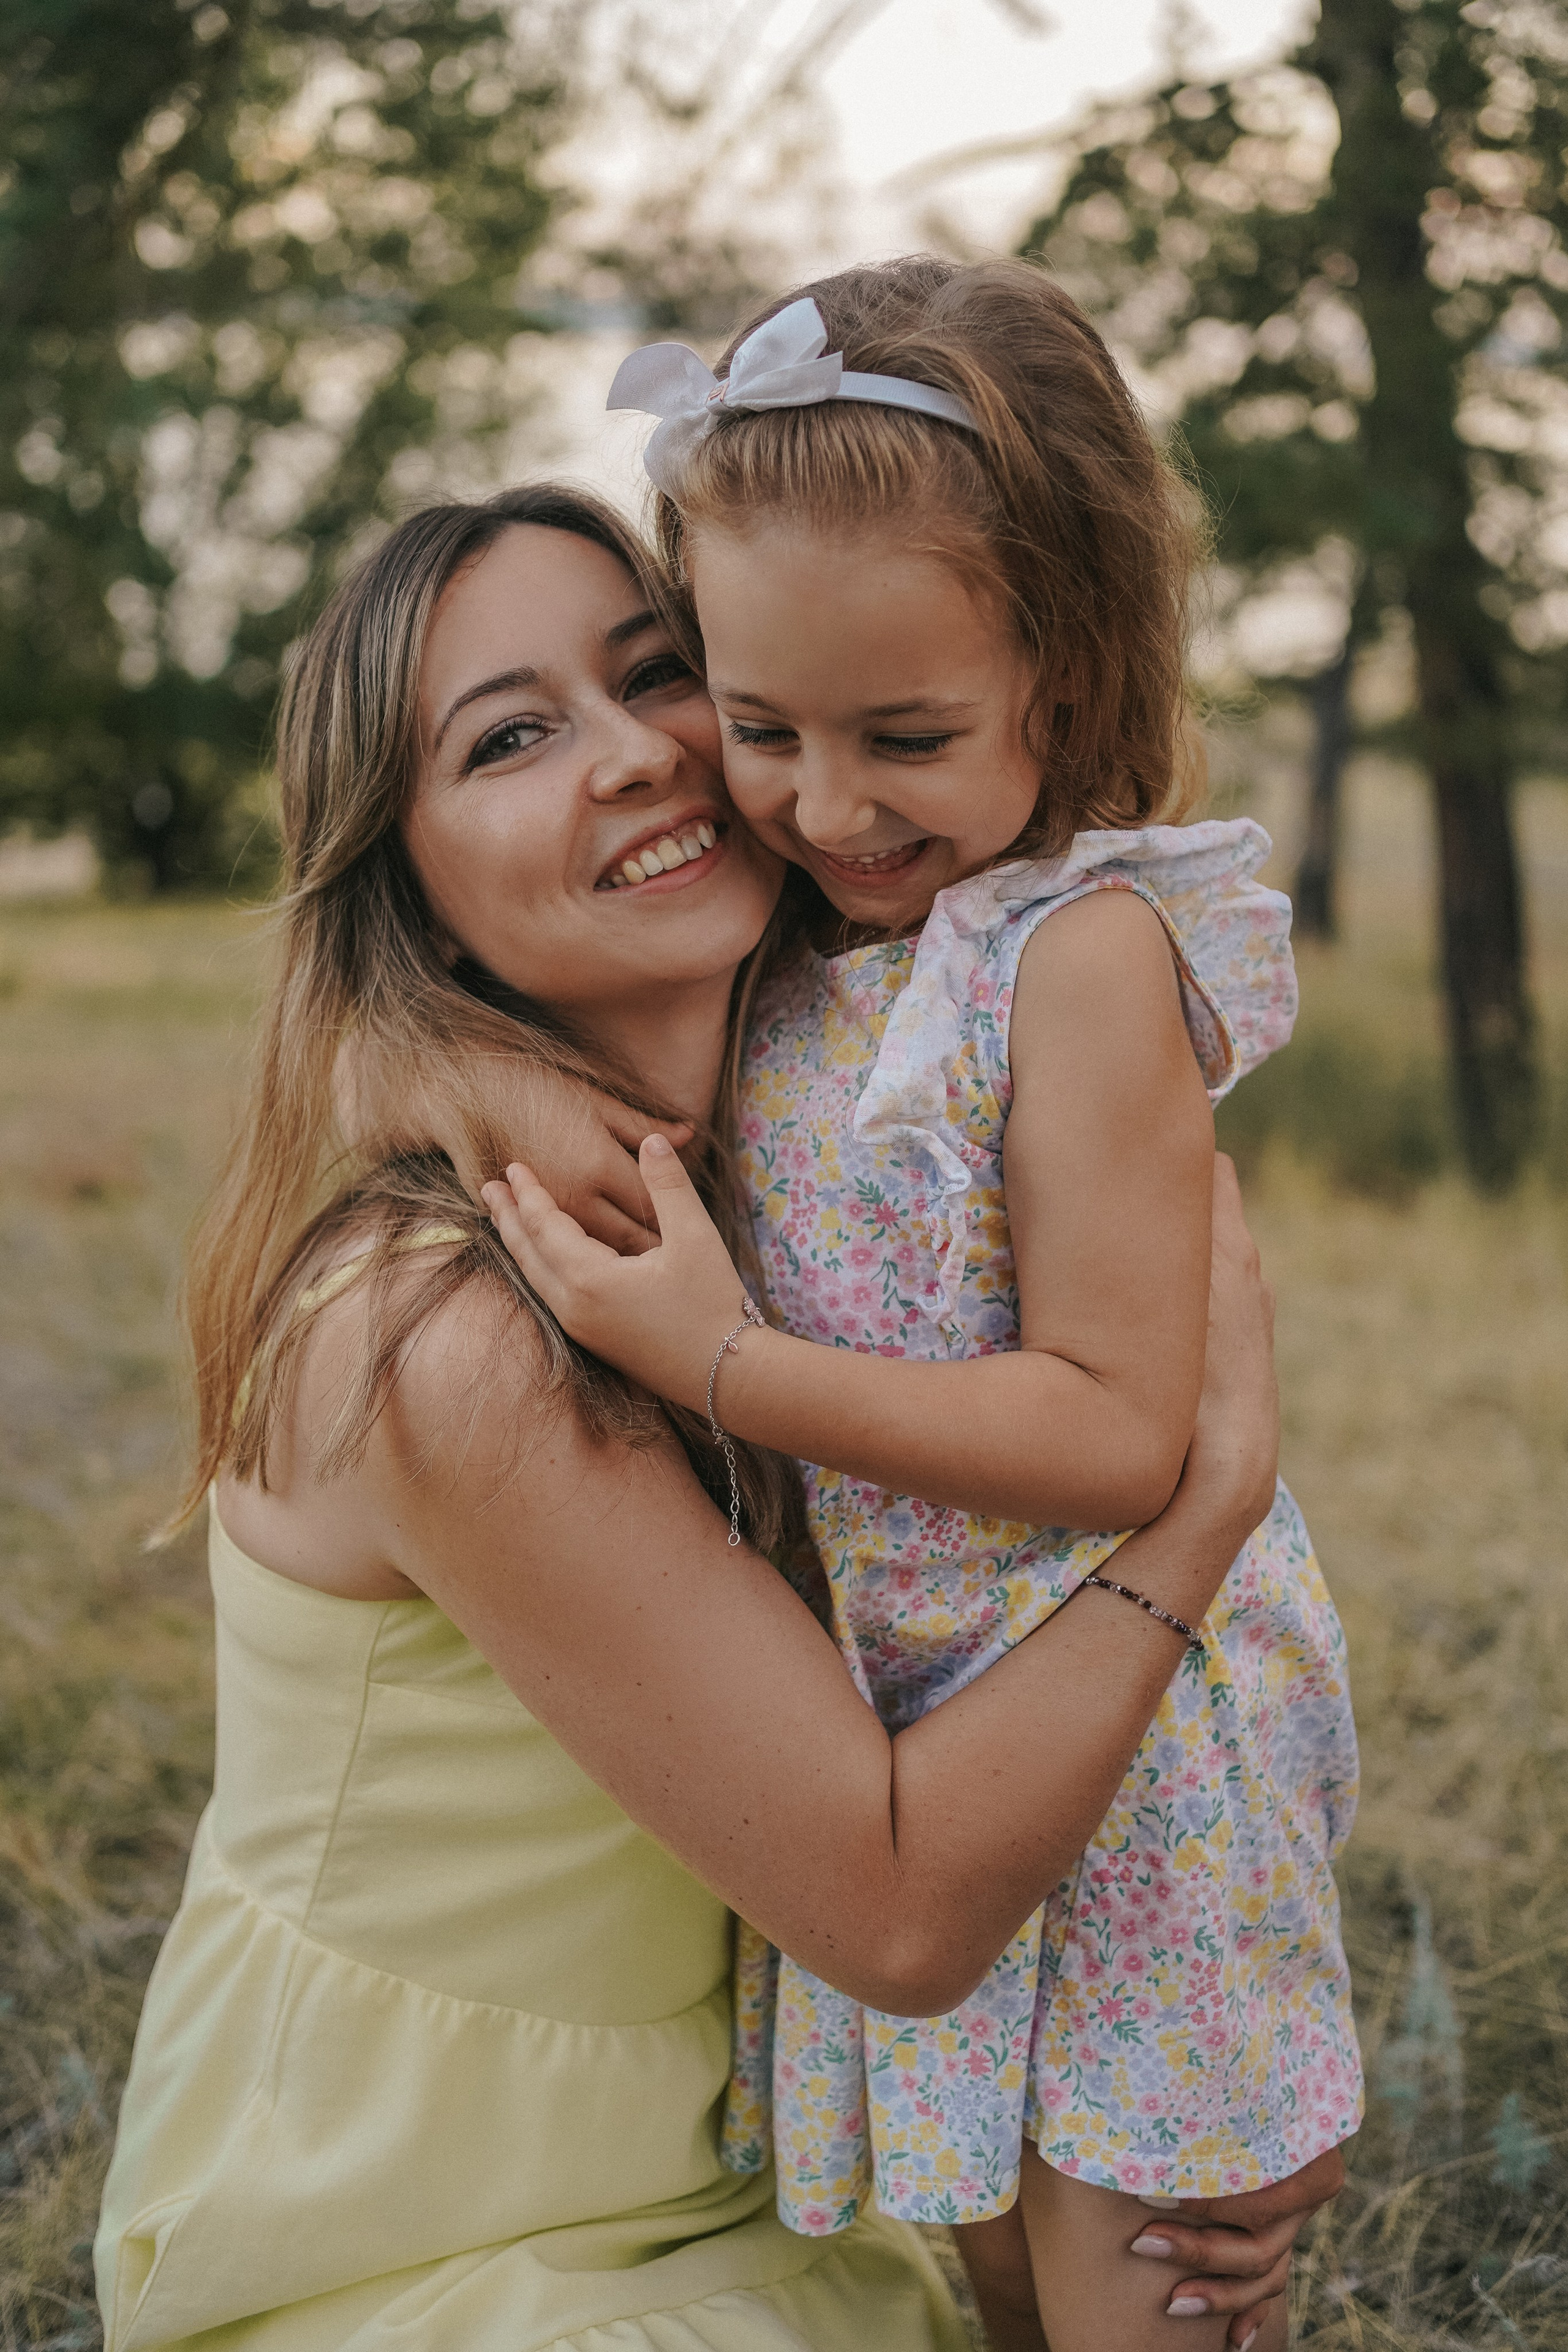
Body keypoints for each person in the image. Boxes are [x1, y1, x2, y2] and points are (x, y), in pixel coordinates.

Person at [94, 483, 1332, 2352]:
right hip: (438, 2236)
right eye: (510, 737)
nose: (632, 757)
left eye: (656, 674)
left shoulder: (814, 1111)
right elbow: (908, 1922)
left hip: (744, 2187)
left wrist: (1233, 2065)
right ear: (402, 873)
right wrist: (1202, 1495)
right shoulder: (448, 1332)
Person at [481, 258, 1361, 2352]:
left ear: (1068, 674)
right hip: (918, 1753)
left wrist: (723, 1366)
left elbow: (1113, 1431)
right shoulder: (803, 939)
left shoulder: (1073, 960)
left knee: (1134, 2305)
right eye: (762, 725)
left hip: (1131, 1767)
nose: (829, 807)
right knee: (980, 2300)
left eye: (910, 741)